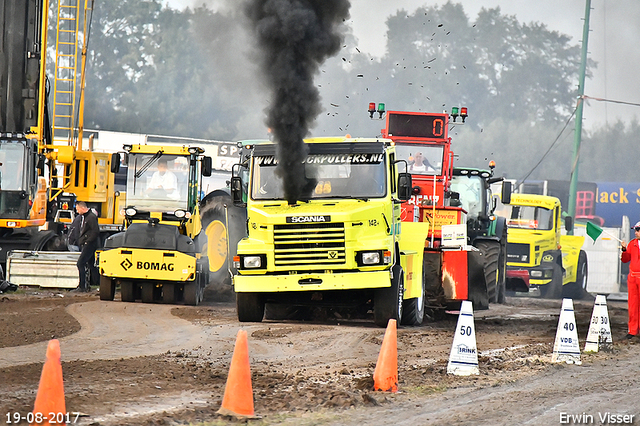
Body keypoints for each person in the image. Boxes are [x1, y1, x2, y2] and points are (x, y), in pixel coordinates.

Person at [74, 201, 100, 292]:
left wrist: (87, 242)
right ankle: (97, 284)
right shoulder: (86, 217)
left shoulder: (91, 217)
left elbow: (95, 231)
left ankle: (82, 286)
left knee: (80, 263)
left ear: (82, 208)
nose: (77, 212)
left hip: (89, 245)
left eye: (77, 209)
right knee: (91, 265)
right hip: (88, 244)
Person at [621, 221, 640, 339]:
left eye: (638, 230)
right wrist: (624, 250)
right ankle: (632, 330)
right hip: (633, 277)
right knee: (633, 304)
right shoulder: (632, 243)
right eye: (636, 230)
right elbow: (625, 259)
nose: (636, 232)